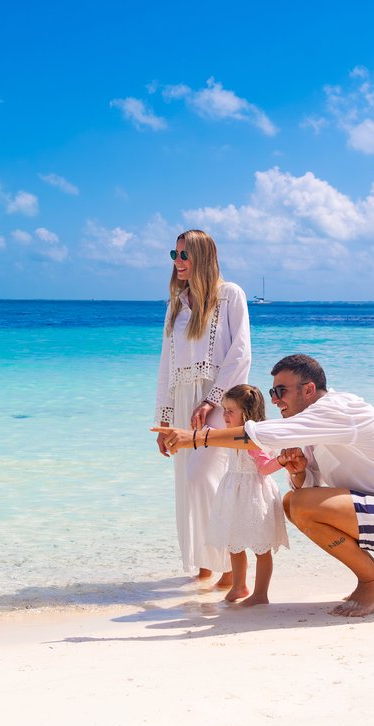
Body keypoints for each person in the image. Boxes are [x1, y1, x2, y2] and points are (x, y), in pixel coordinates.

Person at [154, 354, 374, 617]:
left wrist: (195, 438)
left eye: (281, 391)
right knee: (294, 502)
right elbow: (310, 487)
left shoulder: (340, 409)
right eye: (272, 392)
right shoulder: (316, 427)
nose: (276, 400)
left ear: (309, 390)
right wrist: (301, 473)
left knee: (300, 504)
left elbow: (262, 435)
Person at [153, 229, 252, 584]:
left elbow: (241, 354)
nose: (177, 262)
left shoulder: (230, 296)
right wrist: (164, 421)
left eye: (184, 255)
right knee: (187, 484)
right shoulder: (176, 304)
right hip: (182, 403)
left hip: (218, 401)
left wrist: (213, 400)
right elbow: (167, 366)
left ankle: (229, 565)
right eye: (174, 255)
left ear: (202, 257)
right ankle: (205, 564)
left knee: (205, 480)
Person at [208, 385, 289, 606]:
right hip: (235, 494)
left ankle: (261, 593)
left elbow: (264, 467)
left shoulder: (253, 439)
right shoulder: (232, 436)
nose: (224, 415)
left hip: (254, 496)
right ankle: (239, 586)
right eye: (224, 409)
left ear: (247, 413)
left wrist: (281, 461)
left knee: (261, 548)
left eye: (230, 411)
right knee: (234, 543)